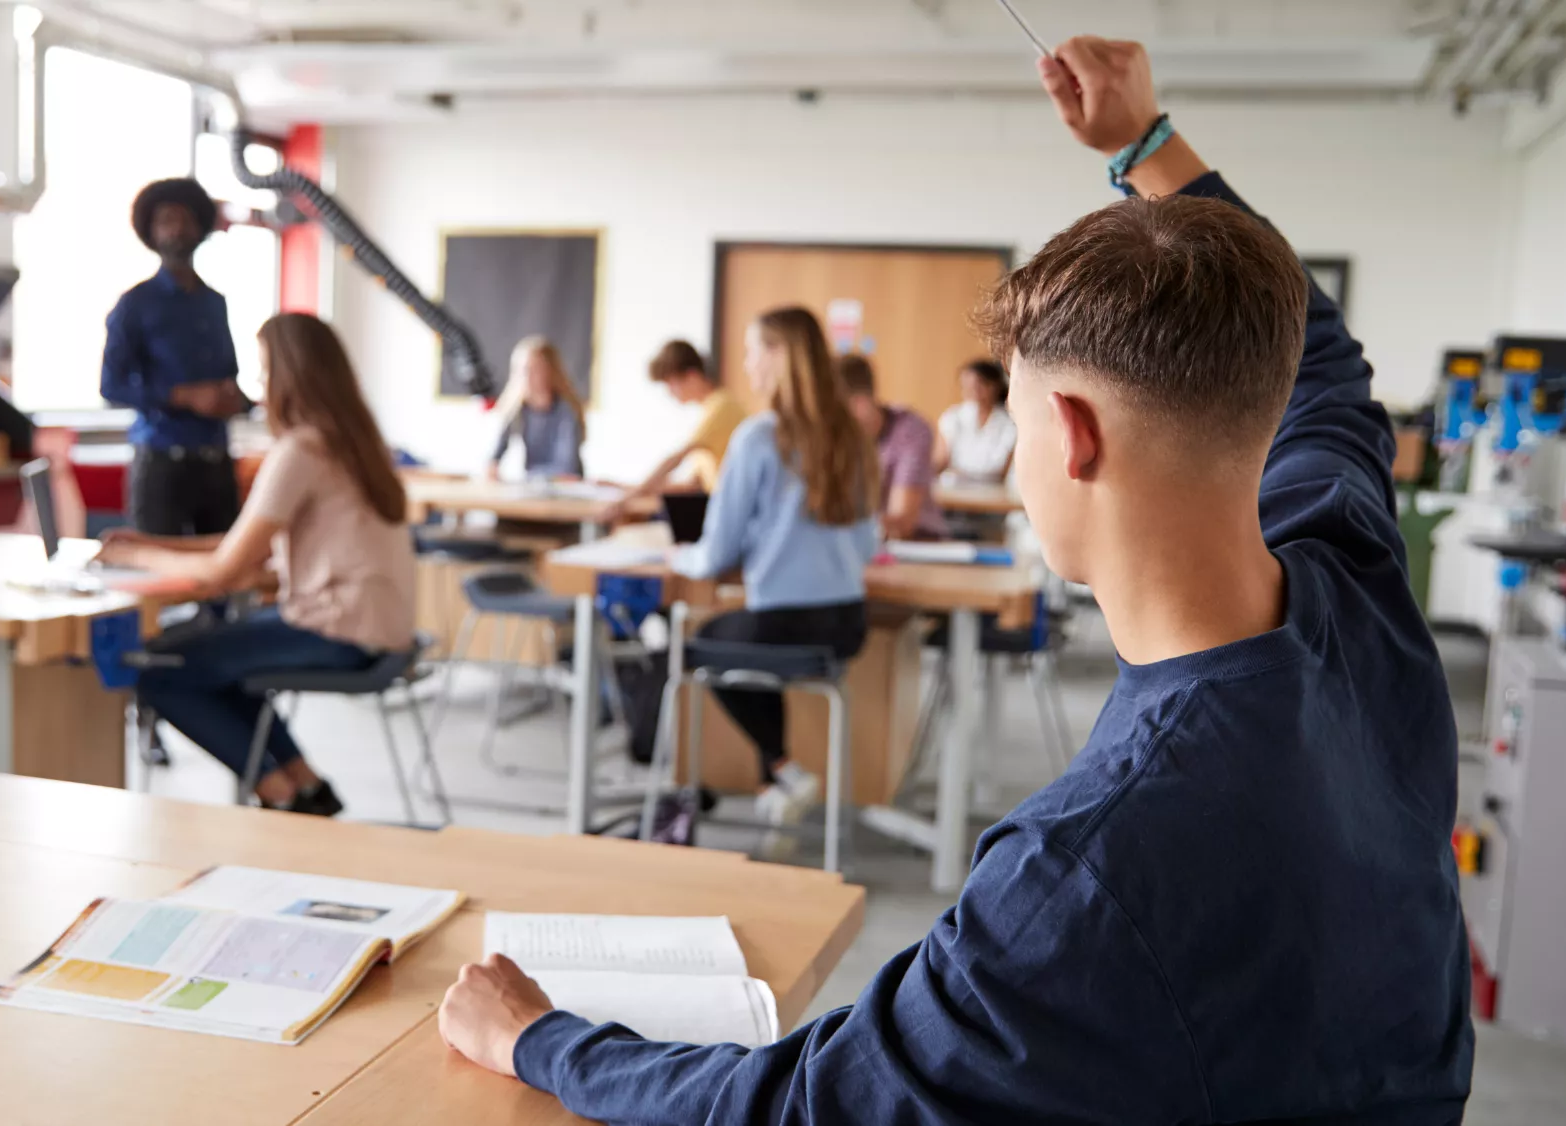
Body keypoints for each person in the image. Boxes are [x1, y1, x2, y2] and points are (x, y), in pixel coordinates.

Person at [436, 35, 1472, 1125]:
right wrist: (1146, 146)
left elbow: (799, 1109)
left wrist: (538, 1038)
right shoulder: (1358, 586)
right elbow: (1314, 353)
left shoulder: (1083, 870)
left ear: (1069, 435)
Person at [98, 313, 415, 816]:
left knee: (157, 667)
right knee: (205, 657)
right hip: (374, 624)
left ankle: (282, 797)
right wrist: (154, 544)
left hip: (339, 629)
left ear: (291, 378)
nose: (259, 389)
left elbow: (227, 572)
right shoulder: (353, 444)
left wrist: (131, 555)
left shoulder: (302, 450)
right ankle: (304, 785)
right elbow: (243, 545)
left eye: (265, 374)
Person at [665, 308, 878, 849]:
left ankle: (785, 770)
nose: (745, 363)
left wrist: (679, 557)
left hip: (781, 625)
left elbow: (716, 553)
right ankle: (775, 789)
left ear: (779, 356)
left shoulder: (758, 437)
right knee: (750, 647)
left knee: (706, 643)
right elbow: (868, 542)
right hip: (847, 625)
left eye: (752, 350)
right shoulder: (850, 435)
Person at [101, 178, 246, 537]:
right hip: (161, 463)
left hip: (216, 462)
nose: (178, 229)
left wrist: (235, 399)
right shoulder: (135, 304)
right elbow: (111, 386)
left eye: (186, 219)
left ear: (200, 228)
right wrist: (182, 396)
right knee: (158, 576)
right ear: (152, 232)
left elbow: (230, 372)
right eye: (167, 220)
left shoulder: (214, 303)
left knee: (223, 577)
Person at [598, 340, 744, 521]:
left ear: (692, 376)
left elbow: (675, 459)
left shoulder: (721, 406)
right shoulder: (710, 410)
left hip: (725, 510)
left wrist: (627, 499)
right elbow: (691, 485)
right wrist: (625, 487)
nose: (670, 392)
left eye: (671, 384)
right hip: (714, 503)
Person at [837, 353, 948, 541]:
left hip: (919, 545)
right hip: (861, 546)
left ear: (860, 405)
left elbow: (902, 522)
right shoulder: (832, 437)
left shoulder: (910, 430)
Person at [484, 336, 586, 481]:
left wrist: (530, 478)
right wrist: (492, 467)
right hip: (534, 486)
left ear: (551, 371)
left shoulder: (567, 411)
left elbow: (567, 468)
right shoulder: (517, 409)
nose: (527, 377)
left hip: (567, 491)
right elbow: (495, 454)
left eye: (535, 369)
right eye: (522, 370)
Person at [934, 357, 1016, 484]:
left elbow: (1005, 471)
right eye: (966, 386)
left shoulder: (1010, 423)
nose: (973, 391)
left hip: (994, 493)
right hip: (953, 491)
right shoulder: (952, 417)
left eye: (979, 385)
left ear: (995, 386)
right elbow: (941, 460)